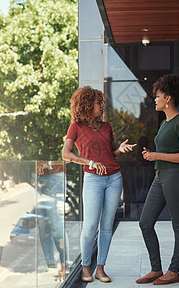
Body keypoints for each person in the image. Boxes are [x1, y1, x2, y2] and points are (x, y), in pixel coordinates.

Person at [62, 86, 136, 283]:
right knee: (90, 226)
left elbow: (110, 153)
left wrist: (119, 149)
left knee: (106, 226)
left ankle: (100, 268)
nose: (102, 105)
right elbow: (66, 154)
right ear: (86, 105)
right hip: (93, 179)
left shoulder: (106, 127)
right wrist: (90, 162)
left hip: (114, 178)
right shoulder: (75, 127)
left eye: (102, 102)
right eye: (98, 102)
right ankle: (86, 267)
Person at [136, 74, 179, 285]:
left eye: (158, 96)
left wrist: (157, 155)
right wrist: (152, 154)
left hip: (176, 176)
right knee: (145, 223)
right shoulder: (165, 123)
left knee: (178, 225)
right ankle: (156, 268)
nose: (155, 100)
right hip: (160, 176)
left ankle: (174, 271)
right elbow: (167, 150)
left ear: (168, 98)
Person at [35, 160, 69, 280]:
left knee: (57, 227)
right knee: (43, 228)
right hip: (37, 175)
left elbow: (67, 155)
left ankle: (65, 264)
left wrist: (49, 163)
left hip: (55, 175)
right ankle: (51, 264)